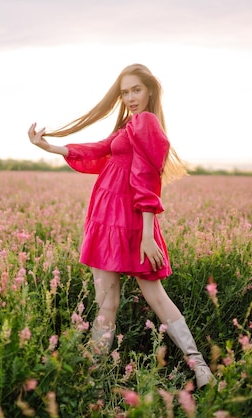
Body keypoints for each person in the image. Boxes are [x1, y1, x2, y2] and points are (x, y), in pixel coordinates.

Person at [27, 63, 215, 388]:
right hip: (106, 219)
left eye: (136, 90)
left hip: (131, 223)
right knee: (107, 303)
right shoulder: (130, 125)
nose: (130, 97)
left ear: (150, 90)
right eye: (125, 92)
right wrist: (49, 146)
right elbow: (99, 149)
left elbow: (146, 180)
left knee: (154, 297)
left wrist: (147, 235)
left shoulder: (146, 123)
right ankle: (92, 378)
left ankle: (200, 368)